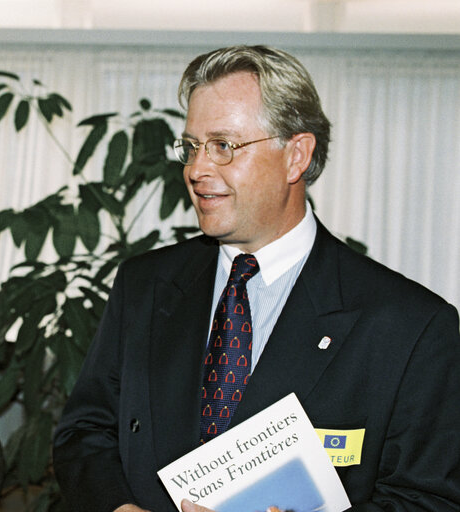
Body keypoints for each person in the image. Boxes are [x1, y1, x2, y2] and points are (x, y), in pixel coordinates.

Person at [53, 45, 460, 512]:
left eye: (224, 146)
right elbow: (84, 432)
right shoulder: (144, 285)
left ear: (296, 156)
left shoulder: (409, 326)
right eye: (191, 147)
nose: (196, 169)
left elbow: (428, 501)